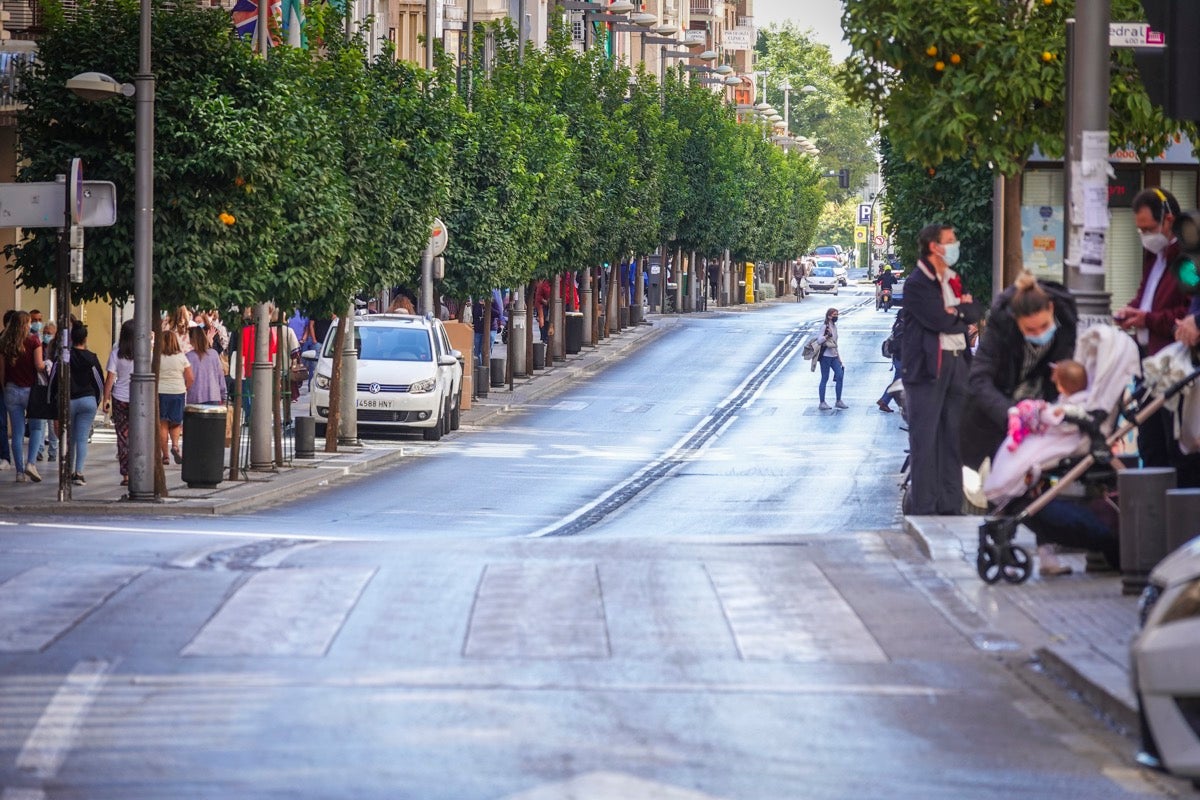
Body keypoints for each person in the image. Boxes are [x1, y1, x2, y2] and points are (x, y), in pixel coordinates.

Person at [900, 223, 982, 515]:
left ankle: (950, 505)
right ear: (934, 247)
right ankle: (925, 507)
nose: (955, 244)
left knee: (954, 438)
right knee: (925, 439)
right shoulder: (917, 283)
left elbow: (975, 311)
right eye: (950, 240)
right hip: (927, 370)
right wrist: (960, 313)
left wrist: (957, 312)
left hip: (958, 362)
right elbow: (937, 320)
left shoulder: (954, 278)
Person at [0, 310, 48, 483]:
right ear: (25, 324)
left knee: (18, 433)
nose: (31, 325)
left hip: (11, 390)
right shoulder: (34, 340)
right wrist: (47, 366)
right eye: (29, 322)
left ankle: (19, 472)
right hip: (31, 391)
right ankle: (31, 464)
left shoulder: (4, 342)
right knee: (36, 428)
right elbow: (39, 365)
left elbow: (2, 371)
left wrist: (5, 389)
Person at [59, 324, 104, 486]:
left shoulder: (65, 357)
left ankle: (67, 471)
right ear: (85, 338)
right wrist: (97, 400)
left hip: (69, 401)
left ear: (71, 338)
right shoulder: (91, 358)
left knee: (69, 438)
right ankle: (78, 473)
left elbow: (56, 378)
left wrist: (54, 400)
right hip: (87, 400)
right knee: (82, 438)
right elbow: (99, 381)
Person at [103, 320, 136, 486]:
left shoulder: (116, 353)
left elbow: (110, 378)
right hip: (138, 400)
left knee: (123, 438)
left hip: (119, 399)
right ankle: (138, 471)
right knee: (138, 437)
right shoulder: (144, 355)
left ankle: (126, 475)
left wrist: (106, 398)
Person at [158, 329, 193, 465]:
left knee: (163, 424)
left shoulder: (156, 357)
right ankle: (175, 446)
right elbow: (190, 377)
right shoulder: (181, 357)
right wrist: (185, 387)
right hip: (178, 392)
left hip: (160, 392)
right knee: (176, 423)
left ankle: (165, 456)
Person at [185, 325, 227, 406]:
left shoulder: (188, 356)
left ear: (191, 339)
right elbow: (220, 376)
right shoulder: (214, 354)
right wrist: (224, 395)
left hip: (194, 397)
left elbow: (186, 378)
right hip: (213, 396)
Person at [815, 307, 847, 411]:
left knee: (840, 376)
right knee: (825, 378)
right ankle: (822, 402)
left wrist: (839, 357)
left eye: (837, 315)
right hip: (825, 357)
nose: (836, 317)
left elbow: (835, 344)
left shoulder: (834, 326)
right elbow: (819, 340)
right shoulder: (825, 327)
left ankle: (838, 400)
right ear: (829, 316)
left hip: (834, 356)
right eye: (834, 315)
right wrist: (826, 336)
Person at [37, 319, 59, 462]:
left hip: (53, 389)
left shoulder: (56, 347)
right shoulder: (38, 346)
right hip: (41, 386)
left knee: (52, 422)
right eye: (44, 333)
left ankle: (53, 450)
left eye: (49, 333)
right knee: (40, 421)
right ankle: (39, 450)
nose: (46, 335)